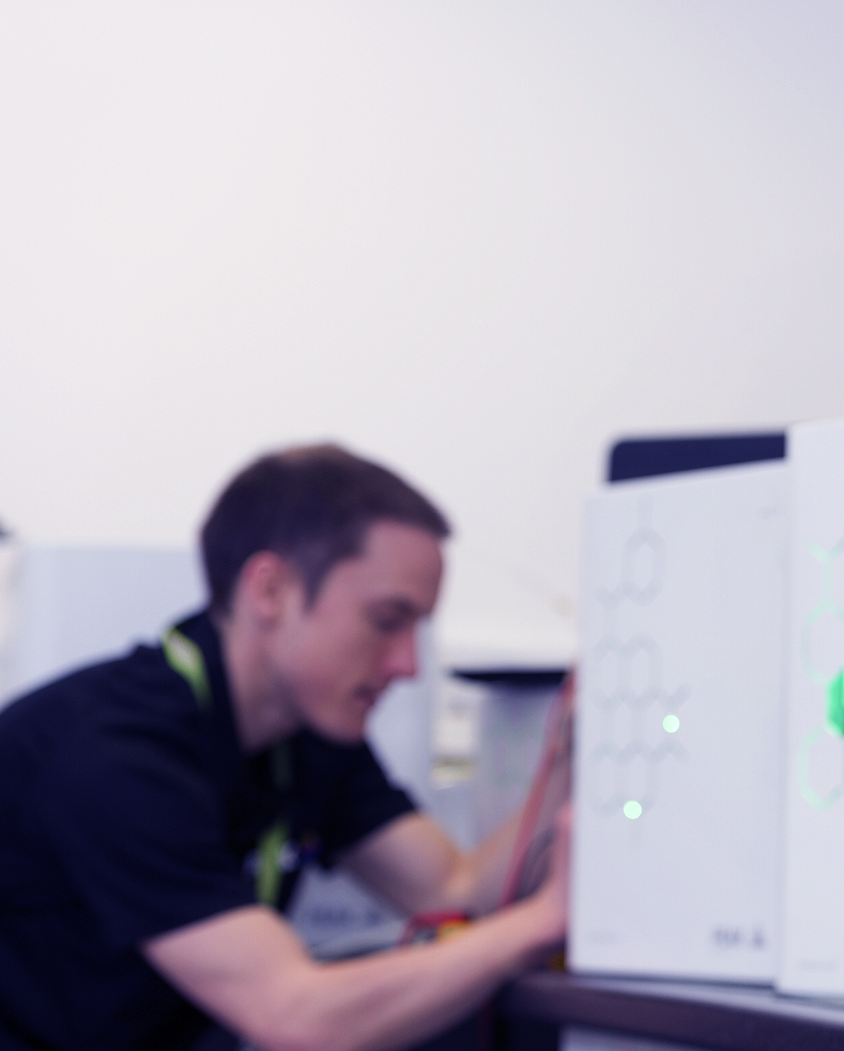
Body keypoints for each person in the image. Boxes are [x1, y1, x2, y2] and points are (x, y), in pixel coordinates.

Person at [0, 445, 569, 1051]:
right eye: (386, 620)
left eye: (417, 629)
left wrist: (571, 745)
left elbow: (454, 888)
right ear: (270, 591)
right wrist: (544, 922)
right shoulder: (113, 752)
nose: (408, 666)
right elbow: (291, 1016)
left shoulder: (307, 731)